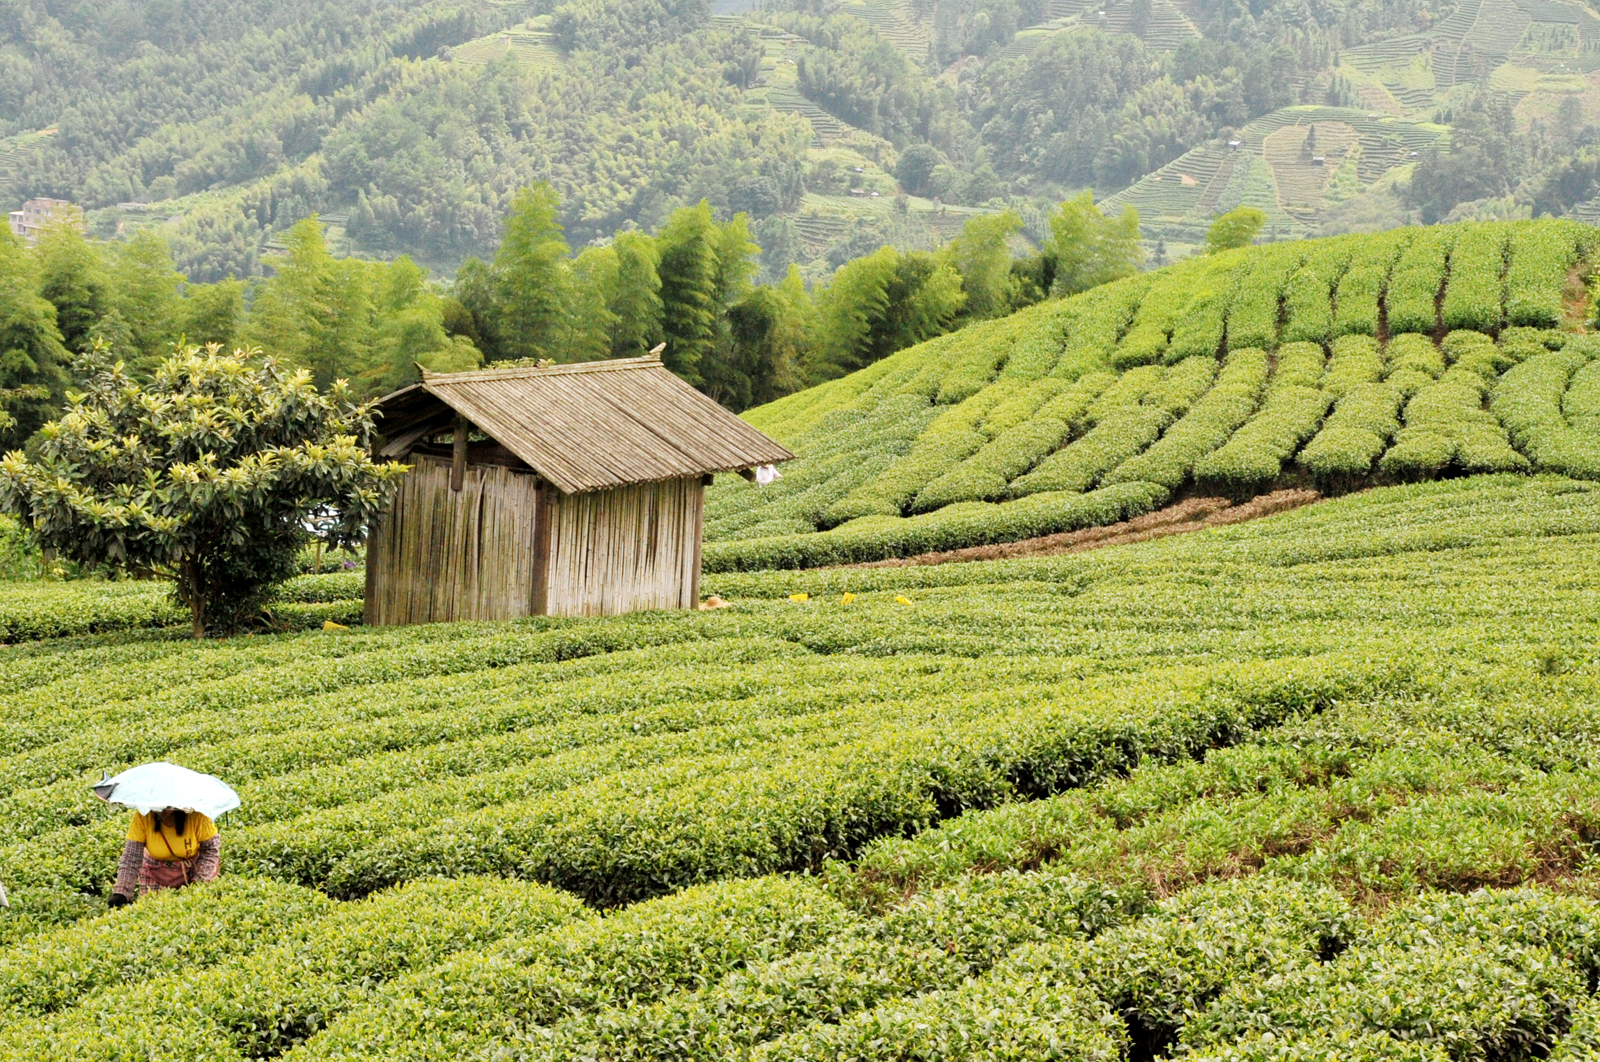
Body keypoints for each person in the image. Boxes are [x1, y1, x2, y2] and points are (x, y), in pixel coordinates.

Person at [108, 807, 221, 907]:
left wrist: (199, 882)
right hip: (155, 872)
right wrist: (122, 892)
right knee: (151, 910)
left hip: (191, 871)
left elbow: (211, 850)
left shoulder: (197, 816)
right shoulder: (143, 816)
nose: (161, 810)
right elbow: (132, 857)